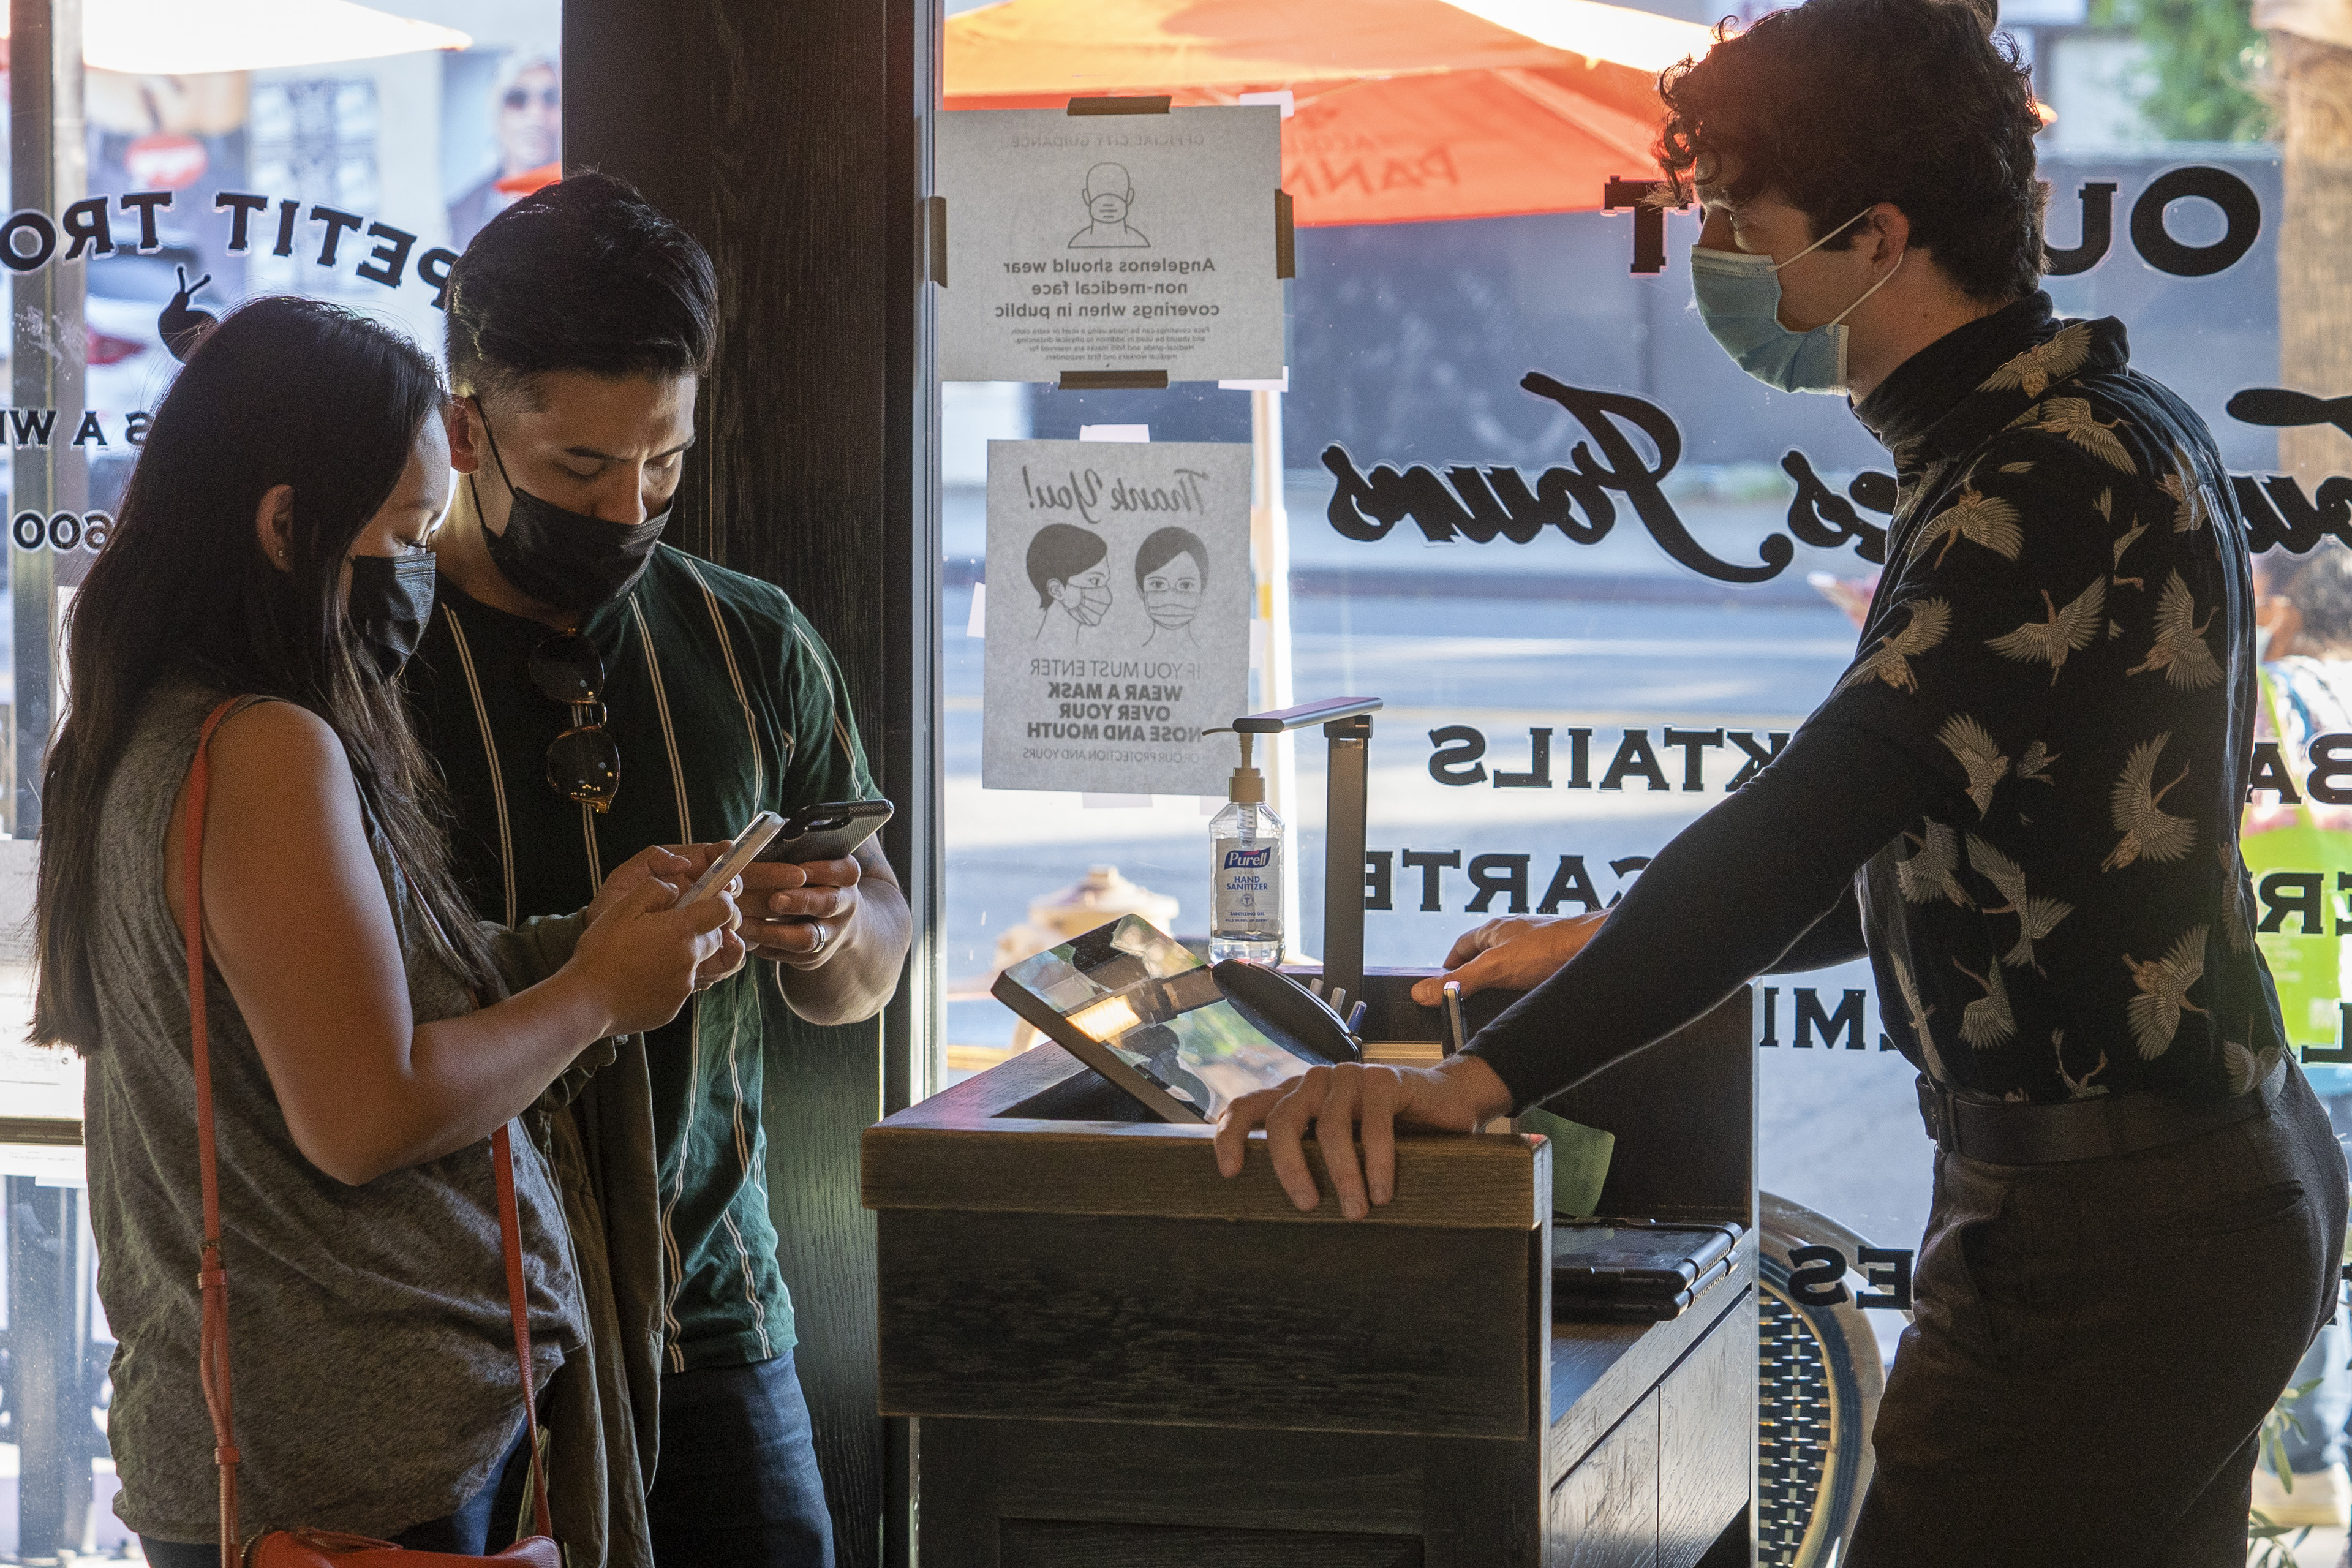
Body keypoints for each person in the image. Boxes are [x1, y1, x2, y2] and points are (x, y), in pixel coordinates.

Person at [1213, 0, 2346, 1559]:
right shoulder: (2063, 427)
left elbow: (1802, 821)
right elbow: (1928, 840)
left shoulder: (2035, 478)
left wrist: (1468, 1082)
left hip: (2113, 1233)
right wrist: (1599, 942)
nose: (1717, 260)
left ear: (1876, 236)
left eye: (1742, 220)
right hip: (2169, 1192)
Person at [32, 296, 742, 1562]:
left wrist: (596, 941)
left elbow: (331, 1015)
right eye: (410, 531)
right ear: (288, 525)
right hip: (354, 1469)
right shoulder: (262, 744)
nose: (423, 567)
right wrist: (599, 994)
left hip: (311, 1451)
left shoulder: (149, 723)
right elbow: (366, 1111)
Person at [405, 171, 912, 1568]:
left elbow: (873, 949)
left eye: (664, 464)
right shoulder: (363, 664)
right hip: (453, 1331)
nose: (629, 505)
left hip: (715, 1324)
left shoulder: (754, 641)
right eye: (578, 471)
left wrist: (825, 927)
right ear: (465, 427)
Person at [448, 55, 562, 251]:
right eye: (518, 100)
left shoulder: (585, 205)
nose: (536, 115)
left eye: (550, 99)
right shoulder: (459, 215)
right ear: (497, 116)